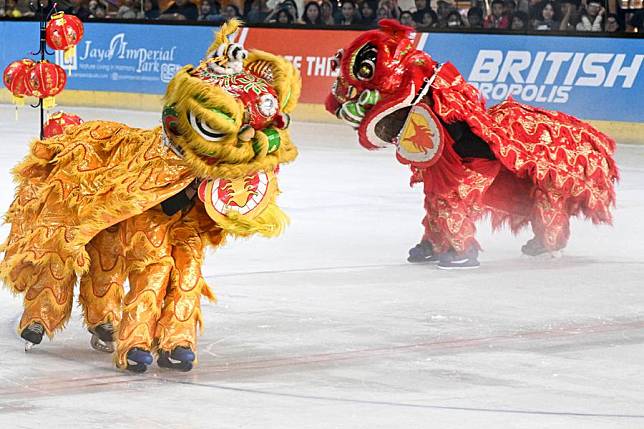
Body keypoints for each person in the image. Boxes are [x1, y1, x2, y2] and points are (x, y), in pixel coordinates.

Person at [325, 20, 618, 269]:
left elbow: (456, 127)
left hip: (477, 157)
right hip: (455, 155)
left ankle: (463, 248)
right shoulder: (425, 94)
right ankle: (436, 241)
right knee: (435, 192)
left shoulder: (439, 91)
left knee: (453, 196)